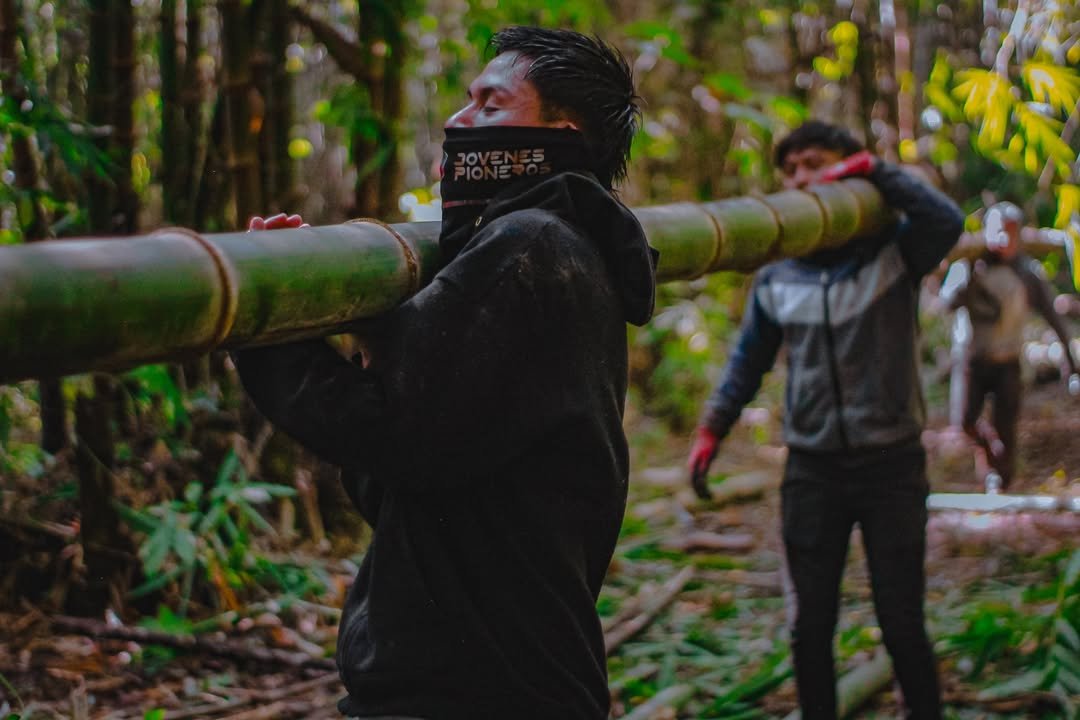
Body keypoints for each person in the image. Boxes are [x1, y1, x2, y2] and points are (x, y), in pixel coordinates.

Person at [235, 27, 656, 719]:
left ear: (561, 133)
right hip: (493, 679)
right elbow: (404, 478)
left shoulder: (529, 250)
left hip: (476, 691)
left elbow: (388, 434)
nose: (459, 122)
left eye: (492, 104)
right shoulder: (561, 249)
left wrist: (270, 318)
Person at [686, 120, 964, 720]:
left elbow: (947, 221)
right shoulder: (778, 274)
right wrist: (712, 428)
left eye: (814, 163)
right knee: (808, 626)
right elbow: (748, 360)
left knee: (901, 622)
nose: (799, 179)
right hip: (812, 471)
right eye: (790, 171)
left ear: (847, 168)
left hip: (891, 465)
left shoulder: (894, 252)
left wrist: (874, 172)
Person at [938, 201, 1079, 493]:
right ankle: (989, 458)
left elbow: (1054, 318)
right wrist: (969, 279)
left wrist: (1072, 363)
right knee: (964, 421)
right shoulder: (968, 264)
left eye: (1010, 233)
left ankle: (1000, 481)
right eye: (998, 231)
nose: (1003, 239)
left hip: (1008, 360)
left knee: (1006, 426)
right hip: (971, 359)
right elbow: (947, 302)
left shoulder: (1027, 273)